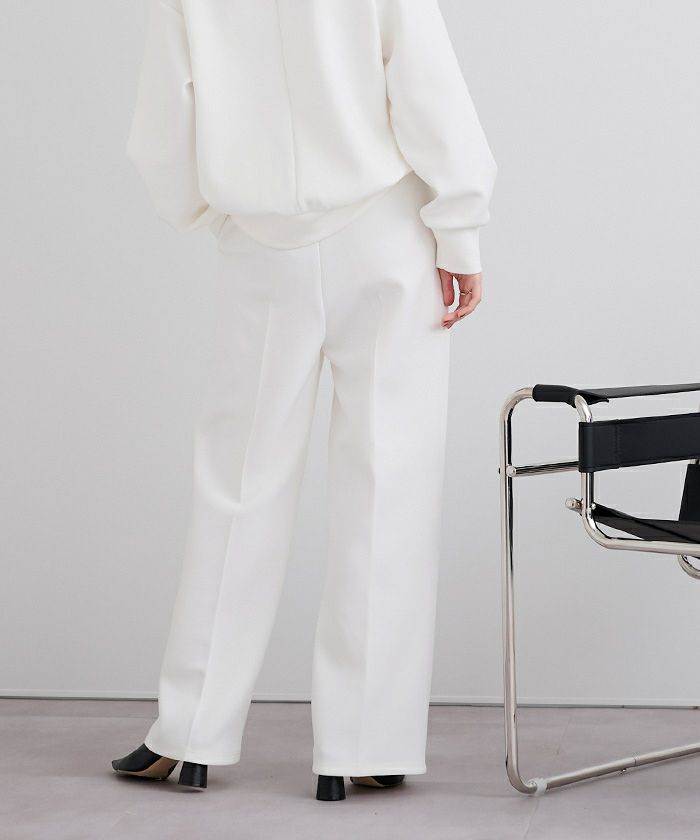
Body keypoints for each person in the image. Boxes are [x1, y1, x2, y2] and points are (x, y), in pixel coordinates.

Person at [112, 0, 496, 801]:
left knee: (236, 485)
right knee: (388, 486)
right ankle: (362, 745)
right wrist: (459, 225)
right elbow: (424, 82)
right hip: (386, 233)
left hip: (261, 245)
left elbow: (162, 121)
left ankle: (190, 733)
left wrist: (217, 206)